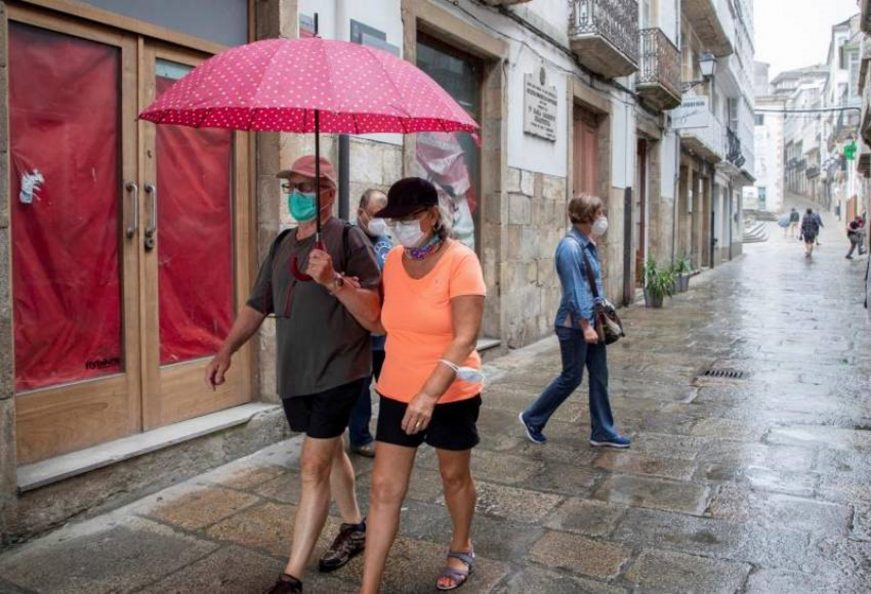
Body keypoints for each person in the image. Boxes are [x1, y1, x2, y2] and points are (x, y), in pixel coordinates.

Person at [204, 155, 382, 594]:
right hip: (296, 374)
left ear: (329, 194)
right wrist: (226, 350)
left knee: (310, 467)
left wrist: (334, 281)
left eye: (307, 188)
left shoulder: (348, 238)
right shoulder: (283, 242)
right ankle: (355, 525)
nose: (297, 196)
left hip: (340, 370)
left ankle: (291, 576)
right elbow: (256, 303)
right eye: (292, 187)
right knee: (329, 450)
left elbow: (376, 318)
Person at [346, 177, 486, 593]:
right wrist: (337, 287)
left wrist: (429, 393)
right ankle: (368, 588)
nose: (400, 227)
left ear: (430, 216)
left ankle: (461, 546)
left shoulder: (461, 261)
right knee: (384, 487)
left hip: (449, 391)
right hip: (397, 389)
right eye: (393, 220)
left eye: (408, 219)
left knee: (453, 476)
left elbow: (466, 337)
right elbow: (378, 322)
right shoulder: (392, 261)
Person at [518, 193, 630, 449]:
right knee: (572, 377)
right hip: (575, 326)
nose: (603, 218)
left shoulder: (586, 243)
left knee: (599, 376)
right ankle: (532, 418)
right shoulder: (570, 247)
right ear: (587, 217)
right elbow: (574, 290)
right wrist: (585, 326)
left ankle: (602, 431)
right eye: (599, 213)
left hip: (592, 323)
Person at [348, 189, 392, 457]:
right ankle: (360, 437)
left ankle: (391, 434)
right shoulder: (350, 240)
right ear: (361, 213)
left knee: (390, 384)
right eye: (376, 215)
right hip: (360, 331)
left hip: (387, 331)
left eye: (385, 216)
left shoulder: (386, 240)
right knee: (360, 389)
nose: (381, 221)